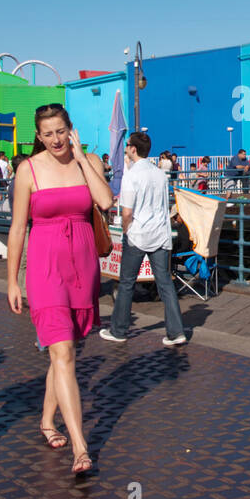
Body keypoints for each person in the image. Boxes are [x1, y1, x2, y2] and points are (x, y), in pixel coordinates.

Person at [5, 103, 112, 474]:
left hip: (83, 267)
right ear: (38, 136)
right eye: (47, 133)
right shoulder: (28, 170)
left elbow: (106, 201)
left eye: (60, 131)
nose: (55, 139)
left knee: (65, 350)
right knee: (62, 350)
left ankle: (47, 421)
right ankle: (81, 447)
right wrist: (11, 281)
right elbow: (18, 228)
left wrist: (82, 159)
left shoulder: (88, 163)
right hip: (45, 268)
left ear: (71, 130)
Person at [101, 131, 187, 347]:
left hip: (139, 234)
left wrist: (126, 229)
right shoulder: (159, 173)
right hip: (160, 233)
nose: (126, 148)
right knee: (165, 283)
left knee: (127, 282)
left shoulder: (132, 175)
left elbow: (127, 211)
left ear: (132, 149)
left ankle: (119, 330)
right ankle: (176, 331)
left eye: (127, 145)